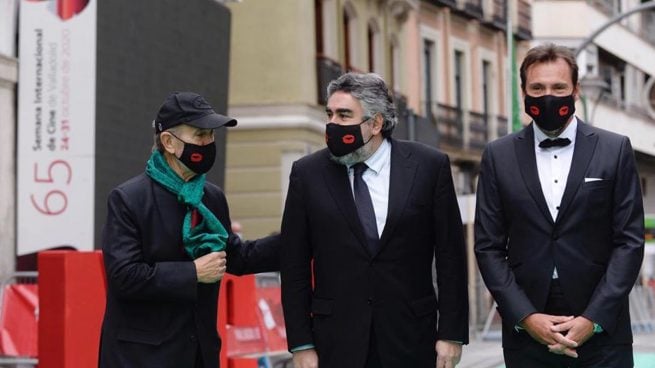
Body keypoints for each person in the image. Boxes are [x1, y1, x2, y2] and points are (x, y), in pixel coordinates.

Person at [280, 73, 469, 368]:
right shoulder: (307, 174)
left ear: (376, 123)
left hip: (412, 340)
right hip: (336, 343)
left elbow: (451, 258)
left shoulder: (429, 166)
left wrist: (452, 334)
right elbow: (294, 265)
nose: (333, 124)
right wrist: (301, 344)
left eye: (344, 115)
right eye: (329, 114)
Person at [474, 43, 644, 367]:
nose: (547, 96)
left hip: (603, 328)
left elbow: (629, 242)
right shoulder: (498, 155)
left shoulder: (615, 149)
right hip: (528, 330)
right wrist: (524, 316)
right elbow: (488, 247)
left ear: (576, 90)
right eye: (537, 87)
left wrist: (592, 318)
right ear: (523, 91)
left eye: (558, 87)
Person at [98, 91, 280, 368]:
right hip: (141, 359)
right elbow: (124, 276)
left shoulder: (212, 197)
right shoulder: (128, 198)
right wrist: (193, 273)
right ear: (169, 142)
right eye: (199, 135)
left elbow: (237, 256)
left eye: (211, 135)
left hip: (200, 355)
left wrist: (301, 237)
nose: (208, 143)